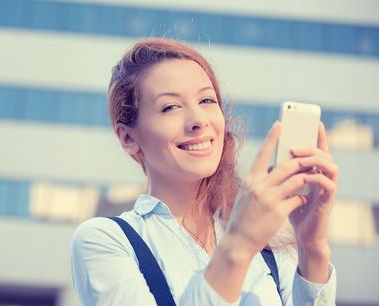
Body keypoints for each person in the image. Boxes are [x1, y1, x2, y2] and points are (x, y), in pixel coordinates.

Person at [71, 38, 338, 305]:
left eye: (207, 100)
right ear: (128, 137)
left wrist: (312, 245)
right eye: (170, 107)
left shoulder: (273, 245)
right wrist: (240, 244)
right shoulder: (107, 240)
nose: (199, 120)